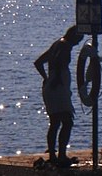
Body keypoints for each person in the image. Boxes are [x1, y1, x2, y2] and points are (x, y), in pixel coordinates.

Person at [34, 25, 85, 166]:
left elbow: (38, 62)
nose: (79, 42)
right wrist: (56, 79)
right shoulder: (65, 46)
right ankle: (61, 155)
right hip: (58, 89)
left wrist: (46, 78)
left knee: (55, 122)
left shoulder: (56, 44)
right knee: (67, 121)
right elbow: (57, 62)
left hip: (51, 88)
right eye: (79, 38)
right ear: (74, 36)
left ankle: (53, 155)